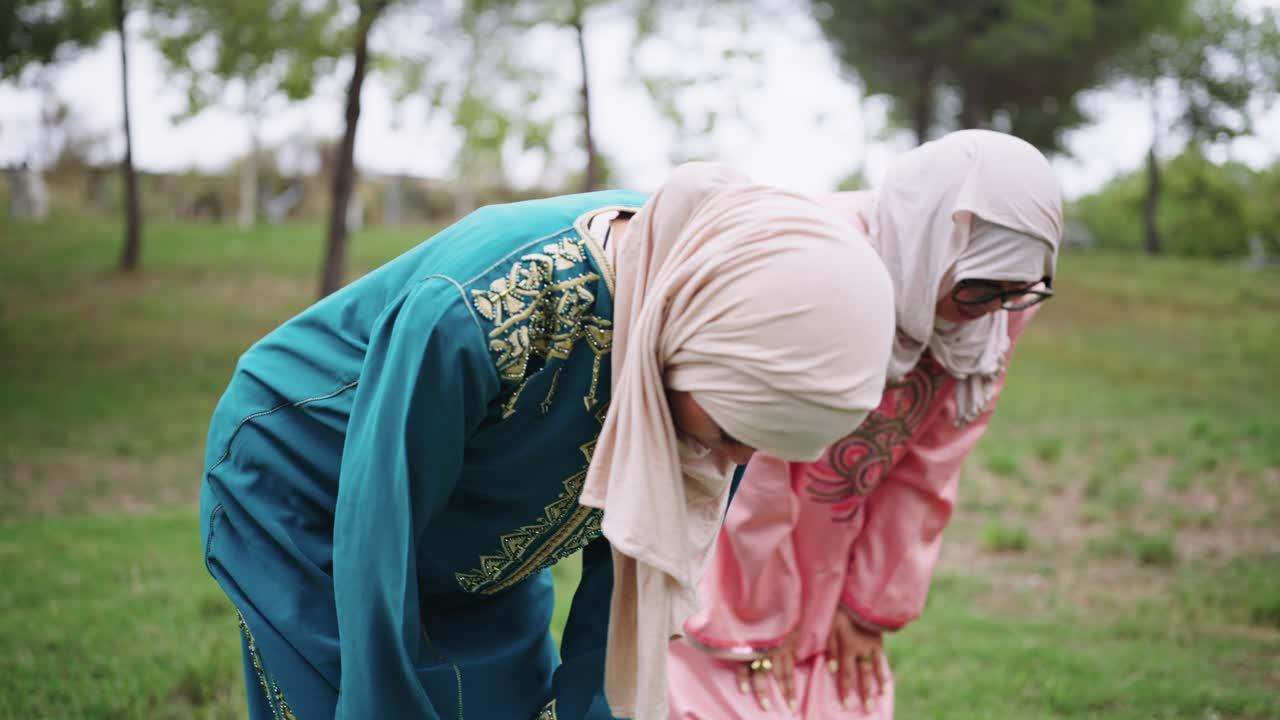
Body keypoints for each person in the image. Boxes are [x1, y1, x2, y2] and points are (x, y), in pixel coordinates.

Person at [198, 162, 897, 720]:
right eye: (737, 435)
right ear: (682, 347)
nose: (735, 463)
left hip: (485, 535)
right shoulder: (482, 313)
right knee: (357, 693)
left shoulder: (723, 366)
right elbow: (378, 542)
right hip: (310, 494)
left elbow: (627, 591)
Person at [667, 130, 1064, 718]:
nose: (990, 311)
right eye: (981, 285)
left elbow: (931, 468)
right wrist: (755, 622)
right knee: (728, 693)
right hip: (729, 532)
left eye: (1017, 292)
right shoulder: (818, 263)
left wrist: (867, 606)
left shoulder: (995, 310)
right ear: (935, 234)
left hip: (832, 541)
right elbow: (755, 461)